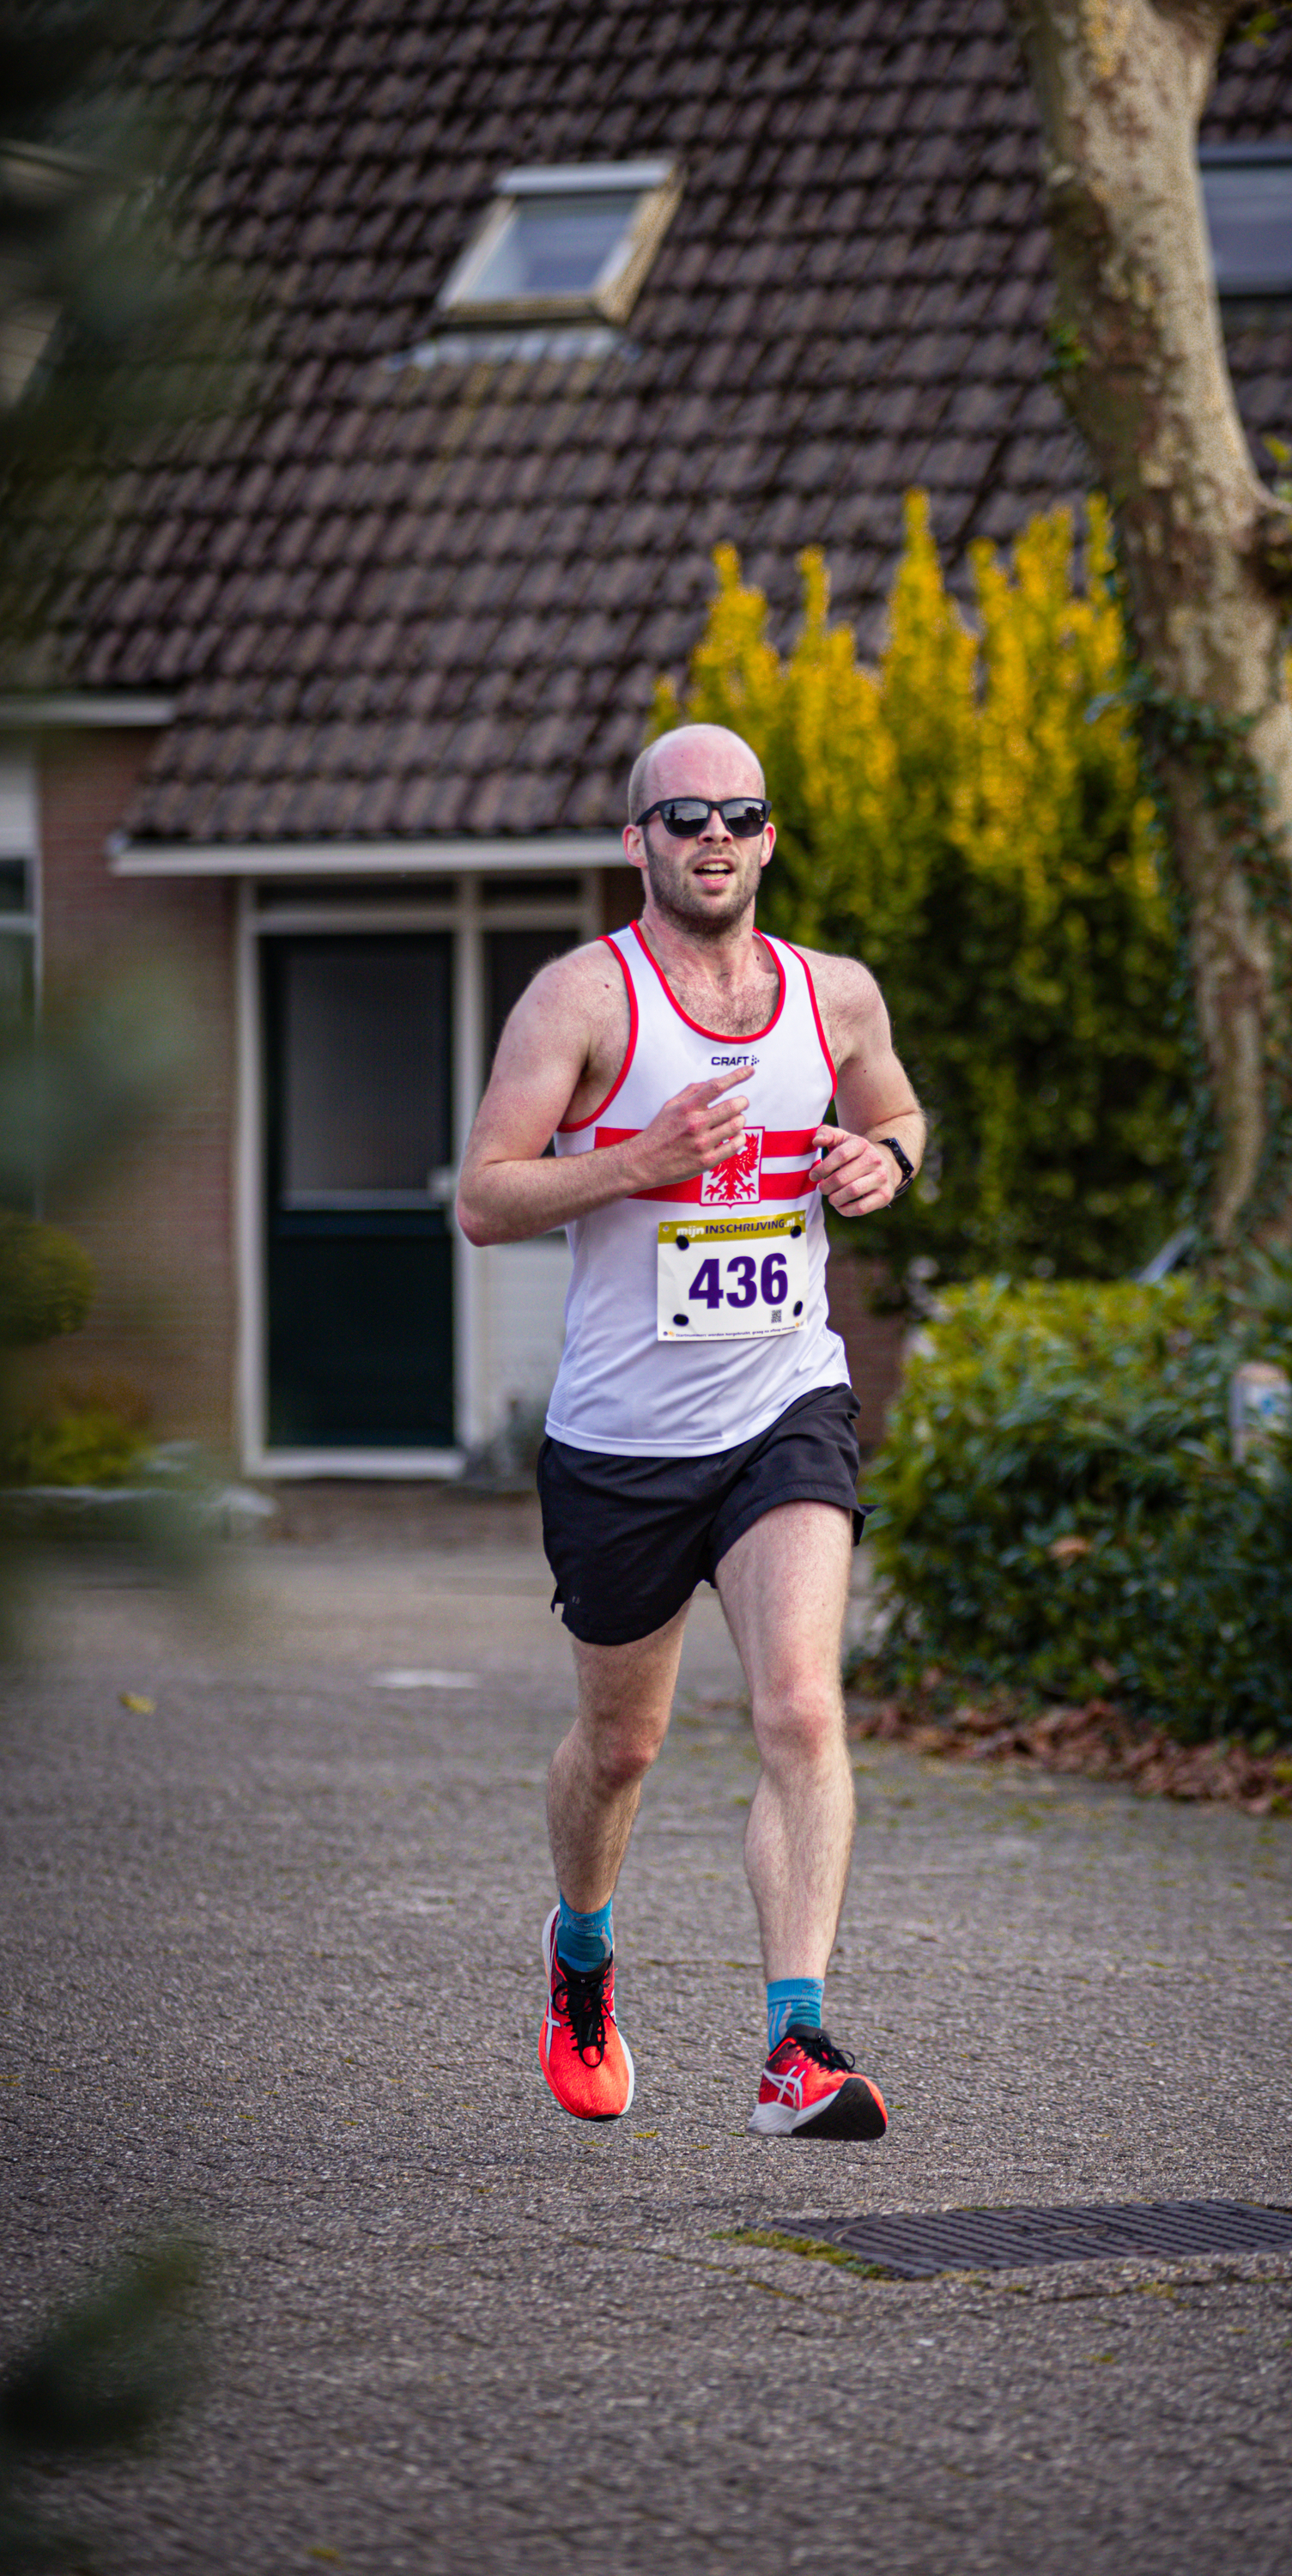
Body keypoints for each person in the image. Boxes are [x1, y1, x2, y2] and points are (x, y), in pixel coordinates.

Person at [457, 722, 925, 2140]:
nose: (712, 836)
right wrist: (640, 1163)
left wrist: (883, 1160)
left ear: (770, 838)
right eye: (682, 818)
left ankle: (798, 2049)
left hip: (786, 1402)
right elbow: (485, 1195)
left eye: (740, 814)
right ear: (639, 842)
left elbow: (901, 1110)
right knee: (623, 1748)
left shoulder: (832, 995)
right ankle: (582, 1953)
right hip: (622, 1441)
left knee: (799, 1707)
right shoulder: (580, 1000)